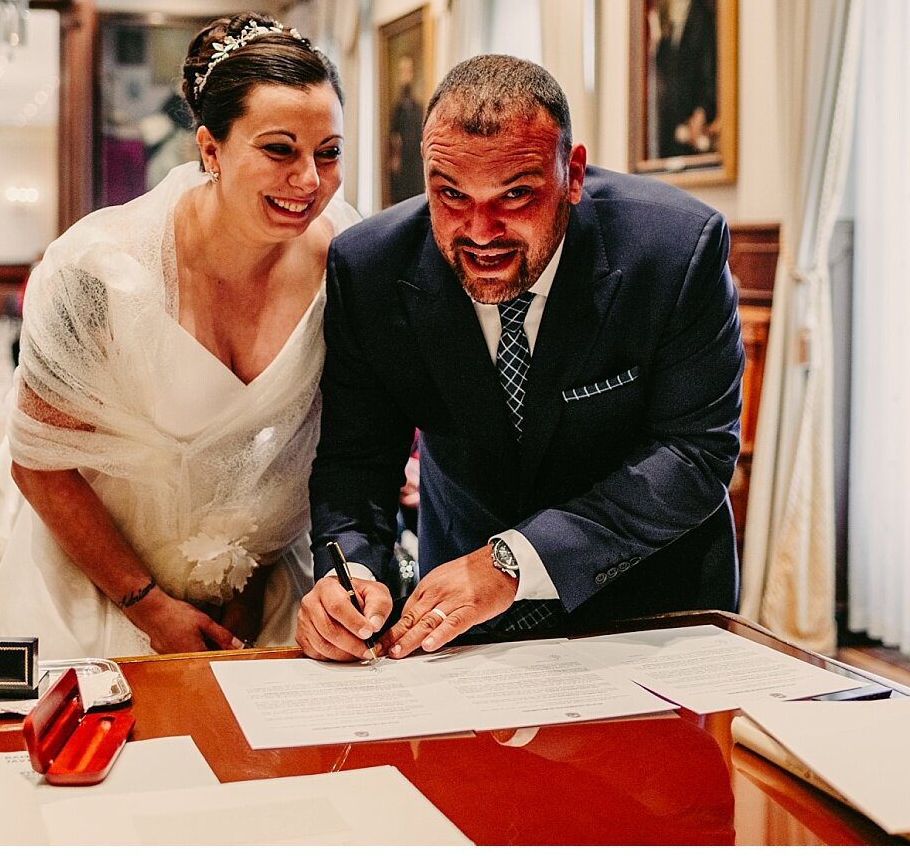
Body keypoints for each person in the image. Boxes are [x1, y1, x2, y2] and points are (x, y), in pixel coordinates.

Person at [0, 13, 356, 673]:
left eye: (328, 151)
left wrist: (254, 575)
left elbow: (323, 440)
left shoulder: (347, 264)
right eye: (279, 150)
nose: (310, 180)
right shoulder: (99, 271)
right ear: (211, 150)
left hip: (256, 579)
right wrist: (150, 606)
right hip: (88, 572)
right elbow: (39, 464)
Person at [297, 54, 744, 663]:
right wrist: (347, 576)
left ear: (574, 173)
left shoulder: (671, 252)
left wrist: (513, 563)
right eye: (450, 194)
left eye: (516, 195)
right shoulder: (371, 268)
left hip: (651, 613)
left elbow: (694, 454)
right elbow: (357, 461)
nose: (481, 231)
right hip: (461, 624)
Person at [648, 0, 718, 160]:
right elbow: (664, 70)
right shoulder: (667, 9)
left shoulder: (704, 15)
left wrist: (701, 112)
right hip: (669, 123)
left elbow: (709, 73)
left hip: (692, 124)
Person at [386, 54, 425, 206]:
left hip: (416, 158)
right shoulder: (398, 108)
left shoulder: (417, 107)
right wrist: (395, 157)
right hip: (404, 158)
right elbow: (394, 135)